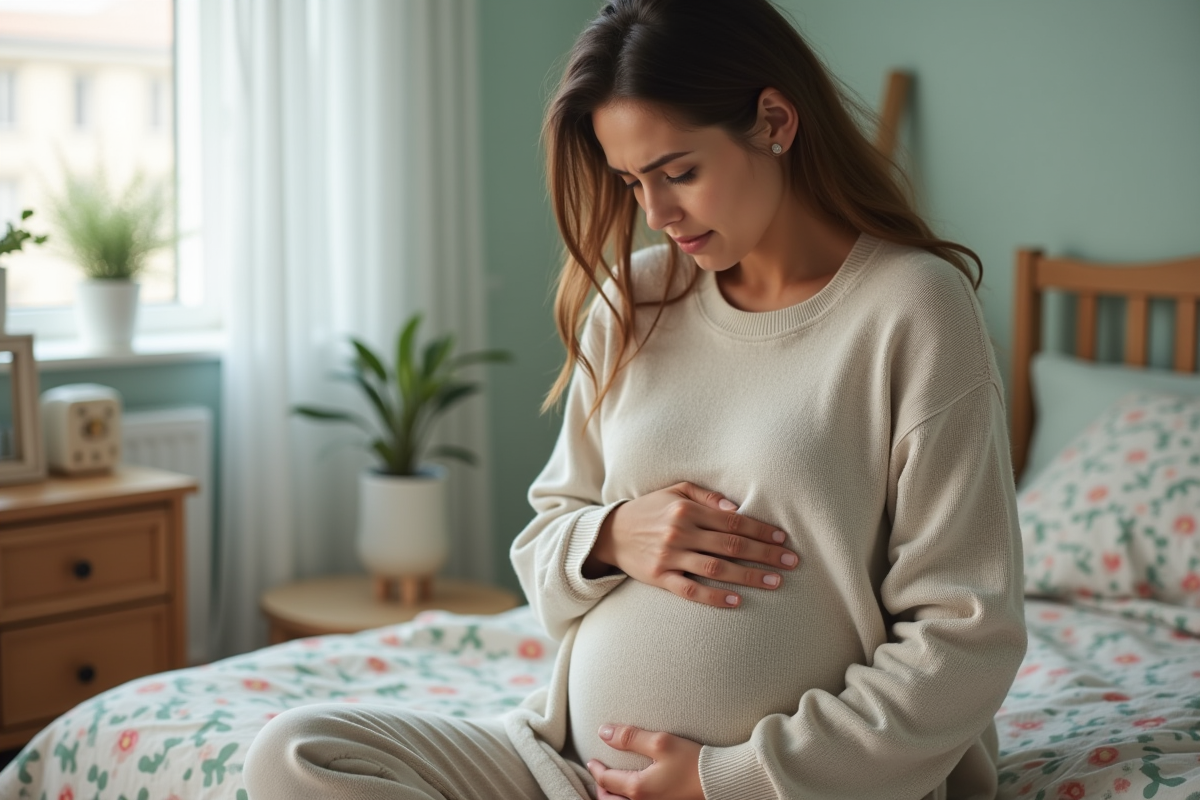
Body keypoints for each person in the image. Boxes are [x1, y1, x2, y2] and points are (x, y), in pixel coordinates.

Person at [243, 1, 1026, 798]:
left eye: (679, 171)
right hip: (568, 770)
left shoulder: (912, 307)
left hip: (783, 790)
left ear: (774, 121)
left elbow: (966, 635)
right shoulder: (636, 299)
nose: (655, 213)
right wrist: (611, 534)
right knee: (294, 752)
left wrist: (728, 779)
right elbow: (544, 547)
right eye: (631, 182)